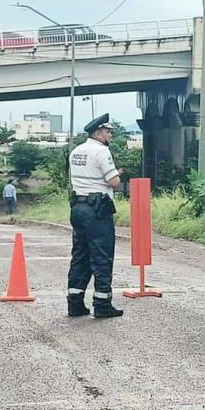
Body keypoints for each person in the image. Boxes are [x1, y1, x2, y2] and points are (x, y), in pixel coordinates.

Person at [66, 113, 124, 319]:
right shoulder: (101, 152)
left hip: (78, 208)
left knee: (80, 255)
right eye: (108, 132)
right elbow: (113, 182)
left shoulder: (76, 151)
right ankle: (102, 303)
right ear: (98, 133)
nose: (110, 136)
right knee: (101, 256)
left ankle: (74, 302)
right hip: (97, 210)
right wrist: (118, 173)